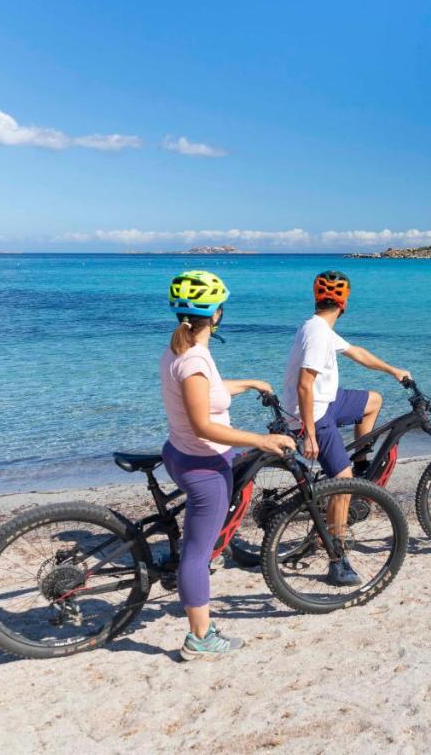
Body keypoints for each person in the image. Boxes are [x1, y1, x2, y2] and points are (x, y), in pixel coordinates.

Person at [160, 270, 295, 660]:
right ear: (217, 314)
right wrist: (261, 439)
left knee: (199, 545)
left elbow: (208, 395)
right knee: (197, 554)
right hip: (202, 465)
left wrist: (250, 383)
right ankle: (200, 638)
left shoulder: (180, 350)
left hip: (180, 452)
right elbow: (205, 423)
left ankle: (200, 605)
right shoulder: (195, 361)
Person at [281, 270, 410, 586]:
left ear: (317, 298)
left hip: (327, 401)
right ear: (344, 302)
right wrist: (309, 432)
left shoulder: (319, 327)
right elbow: (304, 386)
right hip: (310, 413)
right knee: (342, 481)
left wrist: (393, 370)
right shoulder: (318, 334)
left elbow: (357, 354)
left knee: (373, 401)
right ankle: (337, 560)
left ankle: (360, 467)